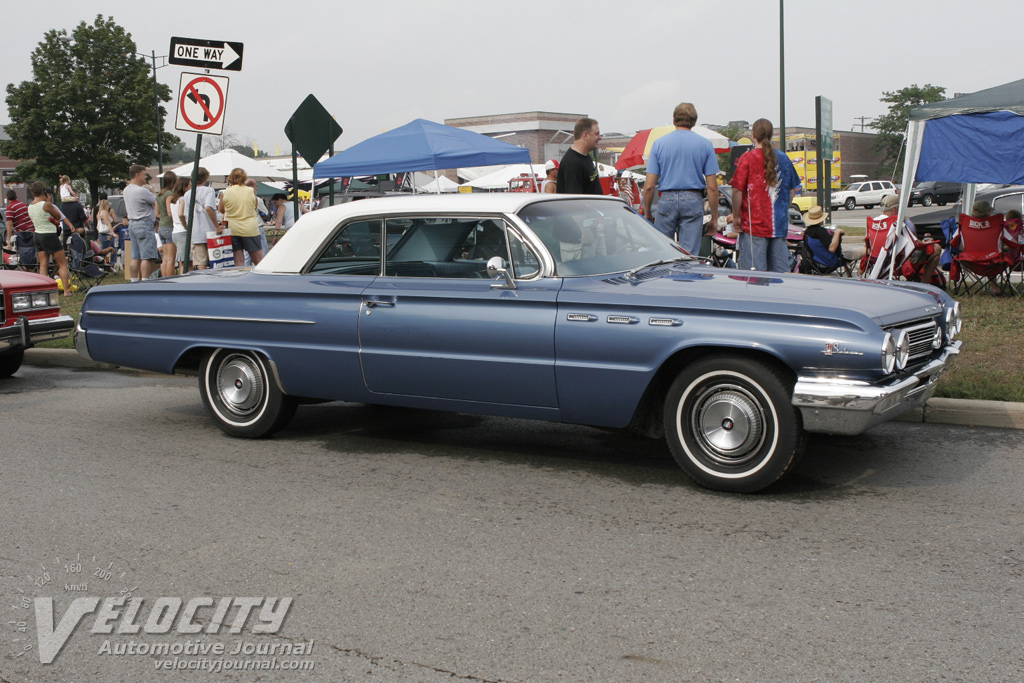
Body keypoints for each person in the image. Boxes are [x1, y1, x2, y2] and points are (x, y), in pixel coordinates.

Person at [642, 103, 720, 255]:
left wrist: (647, 212)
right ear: (694, 121)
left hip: (666, 199)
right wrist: (714, 218)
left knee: (664, 252)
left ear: (674, 120)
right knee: (689, 255)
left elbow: (649, 186)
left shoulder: (658, 144)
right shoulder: (705, 145)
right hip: (693, 199)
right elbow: (712, 187)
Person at [730, 118, 799, 272]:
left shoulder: (747, 158)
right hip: (778, 226)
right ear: (771, 134)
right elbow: (792, 190)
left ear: (753, 135)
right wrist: (782, 209)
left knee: (754, 276)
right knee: (780, 277)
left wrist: (736, 217)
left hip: (754, 226)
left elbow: (737, 190)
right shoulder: (784, 159)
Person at [879, 193, 941, 284]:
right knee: (936, 248)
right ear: (894, 209)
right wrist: (926, 243)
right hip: (900, 262)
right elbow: (914, 243)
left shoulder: (874, 223)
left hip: (879, 262)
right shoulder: (899, 223)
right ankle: (924, 284)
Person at [26, 181, 72, 295]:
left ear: (33, 192)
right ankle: (66, 290)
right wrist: (48, 201)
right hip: (49, 235)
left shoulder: (30, 207)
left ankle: (43, 290)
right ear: (44, 191)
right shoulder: (46, 205)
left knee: (43, 264)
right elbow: (58, 216)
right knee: (62, 263)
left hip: (37, 235)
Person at [218, 168, 263, 266]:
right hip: (250, 228)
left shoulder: (224, 193)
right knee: (258, 260)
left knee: (238, 260)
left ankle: (240, 274)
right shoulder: (251, 191)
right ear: (244, 178)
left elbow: (221, 210)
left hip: (232, 228)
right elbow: (254, 207)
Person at [180, 167, 219, 270]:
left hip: (195, 232)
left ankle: (203, 278)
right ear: (206, 177)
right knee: (215, 258)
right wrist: (217, 226)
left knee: (201, 261)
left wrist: (187, 228)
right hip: (210, 230)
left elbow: (185, 214)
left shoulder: (187, 194)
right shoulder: (209, 190)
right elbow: (208, 208)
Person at [124, 163, 158, 281]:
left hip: (132, 223)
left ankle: (133, 280)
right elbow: (157, 201)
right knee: (146, 257)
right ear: (137, 175)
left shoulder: (126, 190)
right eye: (144, 175)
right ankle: (145, 280)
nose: (145, 177)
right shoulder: (142, 191)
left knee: (135, 257)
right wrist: (152, 190)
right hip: (144, 223)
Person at [556, 118, 603, 195]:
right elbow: (575, 199)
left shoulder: (585, 156)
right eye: (596, 134)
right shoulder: (572, 163)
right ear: (585, 135)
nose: (600, 138)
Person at [5, 189, 37, 269]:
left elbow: (9, 224)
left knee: (23, 257)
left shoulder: (10, 208)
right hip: (32, 232)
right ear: (16, 196)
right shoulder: (23, 204)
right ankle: (33, 269)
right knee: (32, 254)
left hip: (22, 234)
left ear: (8, 199)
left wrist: (9, 241)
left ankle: (26, 270)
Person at [156, 171, 177, 278]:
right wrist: (174, 219)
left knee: (165, 258)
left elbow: (157, 213)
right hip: (169, 226)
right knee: (171, 259)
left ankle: (164, 279)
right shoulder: (170, 194)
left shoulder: (159, 195)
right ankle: (171, 280)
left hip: (161, 227)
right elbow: (170, 211)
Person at [169, 177, 190, 275]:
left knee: (183, 261)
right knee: (186, 262)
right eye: (190, 186)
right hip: (183, 231)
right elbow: (181, 214)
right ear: (184, 187)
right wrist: (186, 226)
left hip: (175, 231)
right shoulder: (183, 199)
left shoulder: (173, 200)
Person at [95, 198, 118, 268]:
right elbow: (108, 223)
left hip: (102, 235)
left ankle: (105, 265)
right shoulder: (104, 212)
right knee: (110, 250)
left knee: (104, 250)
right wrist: (113, 233)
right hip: (106, 234)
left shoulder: (99, 213)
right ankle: (110, 265)